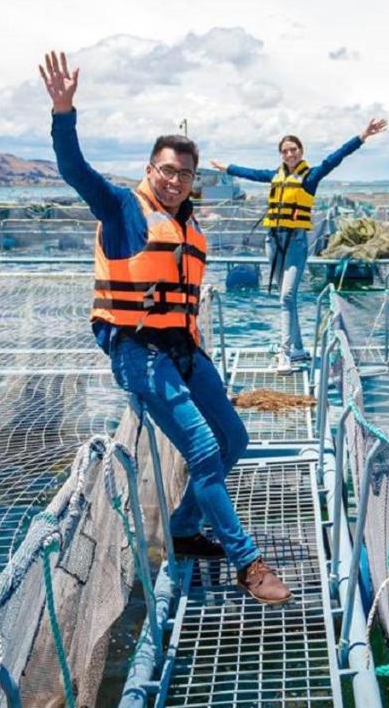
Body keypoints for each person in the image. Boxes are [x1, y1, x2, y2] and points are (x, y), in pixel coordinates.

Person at [39, 51, 292, 606]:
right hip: (140, 354)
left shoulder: (185, 222)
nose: (176, 181)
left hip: (184, 350)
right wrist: (64, 114)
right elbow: (74, 171)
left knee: (235, 439)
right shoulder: (122, 209)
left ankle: (182, 529)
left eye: (185, 174)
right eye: (167, 171)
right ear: (150, 170)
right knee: (202, 449)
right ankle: (247, 562)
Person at [210, 117, 387, 372]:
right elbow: (250, 173)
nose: (290, 154)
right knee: (288, 300)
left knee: (286, 296)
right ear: (281, 155)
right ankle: (299, 350)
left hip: (295, 243)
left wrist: (363, 135)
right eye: (285, 151)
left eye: (293, 149)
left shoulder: (310, 177)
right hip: (273, 240)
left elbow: (336, 157)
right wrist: (226, 167)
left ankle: (284, 354)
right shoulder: (275, 176)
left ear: (301, 152)